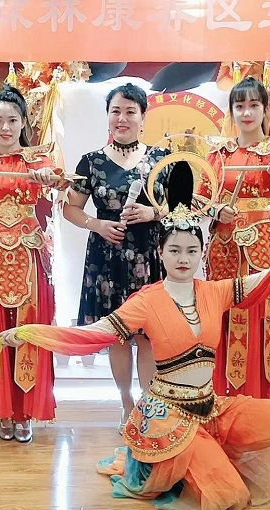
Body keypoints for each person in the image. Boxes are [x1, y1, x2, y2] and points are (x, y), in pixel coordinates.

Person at [1, 197, 270, 510]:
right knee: (227, 494)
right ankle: (183, 464)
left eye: (192, 251)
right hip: (168, 415)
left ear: (201, 253)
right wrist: (32, 333)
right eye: (175, 250)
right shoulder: (145, 301)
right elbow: (94, 334)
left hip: (209, 406)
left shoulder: (216, 291)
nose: (183, 259)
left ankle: (203, 456)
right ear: (160, 253)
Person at [0, 85, 66, 444]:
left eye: (13, 120)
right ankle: (2, 410)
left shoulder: (37, 161)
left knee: (27, 329)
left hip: (27, 256)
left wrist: (49, 178)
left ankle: (25, 411)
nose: (5, 128)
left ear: (24, 123)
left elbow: (59, 177)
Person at [62, 83, 171, 432]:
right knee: (119, 336)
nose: (122, 119)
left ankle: (148, 405)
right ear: (108, 116)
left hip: (148, 256)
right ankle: (126, 403)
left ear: (143, 117)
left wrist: (153, 213)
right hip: (107, 259)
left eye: (130, 112)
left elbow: (182, 206)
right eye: (115, 111)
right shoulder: (91, 162)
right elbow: (70, 209)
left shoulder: (161, 159)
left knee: (148, 336)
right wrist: (97, 225)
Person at [201, 77, 270, 405]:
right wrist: (215, 210)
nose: (246, 113)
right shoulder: (218, 155)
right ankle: (223, 397)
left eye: (254, 105)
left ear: (266, 110)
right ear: (232, 111)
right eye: (240, 106)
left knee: (264, 313)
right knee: (224, 313)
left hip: (263, 246)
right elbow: (200, 197)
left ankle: (263, 398)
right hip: (224, 247)